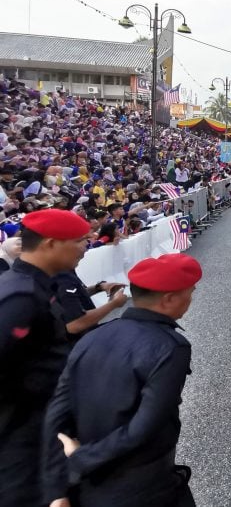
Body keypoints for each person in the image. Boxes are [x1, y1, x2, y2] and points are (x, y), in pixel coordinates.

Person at [42, 253, 201, 507]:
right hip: (144, 484)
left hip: (87, 486)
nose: (191, 300)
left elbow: (56, 413)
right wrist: (81, 458)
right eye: (190, 293)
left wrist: (57, 485)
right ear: (170, 299)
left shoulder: (93, 337)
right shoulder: (170, 347)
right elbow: (146, 426)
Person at [0, 209, 92, 507]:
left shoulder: (35, 285)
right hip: (25, 444)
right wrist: (54, 439)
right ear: (51, 243)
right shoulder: (20, 297)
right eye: (79, 241)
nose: (85, 247)